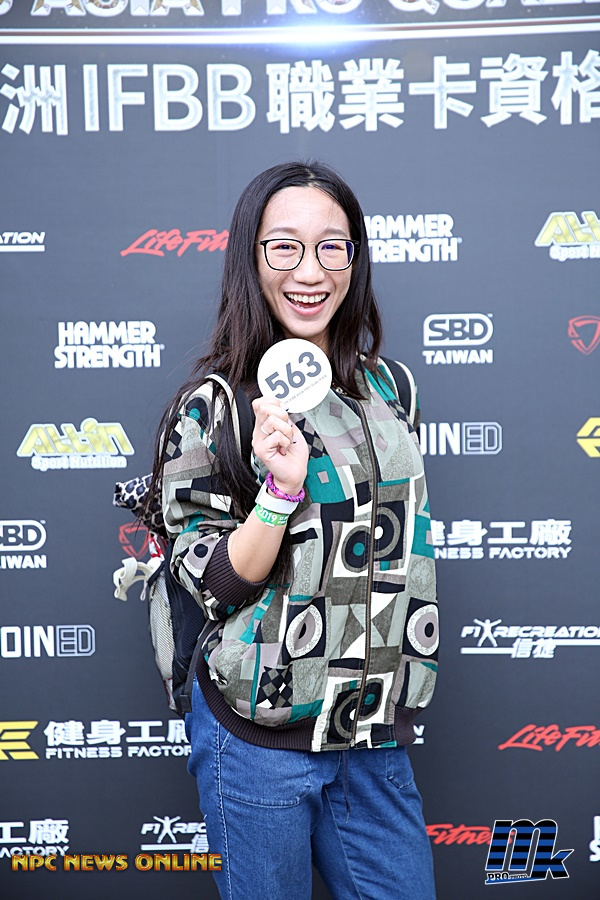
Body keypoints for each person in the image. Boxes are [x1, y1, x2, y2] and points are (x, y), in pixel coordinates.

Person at [148, 161, 438, 900]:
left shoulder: (391, 388)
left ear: (354, 258)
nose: (310, 271)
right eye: (284, 246)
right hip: (259, 739)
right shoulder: (212, 406)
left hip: (368, 732)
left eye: (331, 246)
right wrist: (279, 492)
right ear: (251, 258)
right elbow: (215, 584)